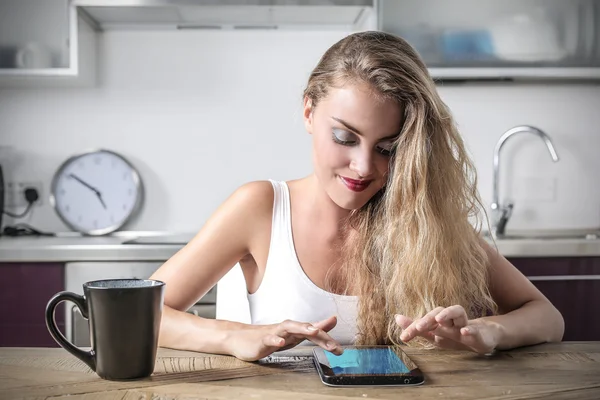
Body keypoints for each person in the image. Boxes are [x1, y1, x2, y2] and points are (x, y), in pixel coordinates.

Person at [149, 31, 564, 362]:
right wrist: (236, 336)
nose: (365, 167)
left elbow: (547, 317)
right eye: (345, 137)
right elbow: (132, 316)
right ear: (309, 111)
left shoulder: (426, 220)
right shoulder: (260, 207)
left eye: (387, 148)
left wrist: (487, 333)